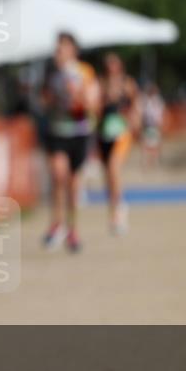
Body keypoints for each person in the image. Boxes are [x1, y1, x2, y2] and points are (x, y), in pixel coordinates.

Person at [40, 33, 98, 252]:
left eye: (62, 48)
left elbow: (93, 104)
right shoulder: (51, 73)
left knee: (73, 185)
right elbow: (44, 101)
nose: (58, 53)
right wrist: (52, 99)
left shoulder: (85, 72)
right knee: (57, 174)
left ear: (73, 50)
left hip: (79, 133)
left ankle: (73, 230)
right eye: (56, 49)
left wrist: (78, 96)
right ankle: (56, 223)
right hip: (57, 132)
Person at [95, 52, 140, 235]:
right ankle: (113, 211)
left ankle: (120, 208)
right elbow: (95, 108)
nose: (111, 68)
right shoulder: (100, 84)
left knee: (114, 168)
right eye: (108, 65)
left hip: (121, 132)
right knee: (107, 175)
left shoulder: (127, 84)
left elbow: (135, 105)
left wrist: (134, 121)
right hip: (103, 133)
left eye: (115, 64)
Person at [139, 82, 166, 168]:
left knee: (155, 144)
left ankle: (155, 161)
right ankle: (146, 161)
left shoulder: (158, 100)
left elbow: (161, 113)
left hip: (155, 125)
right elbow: (142, 112)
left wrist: (161, 123)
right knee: (145, 144)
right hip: (147, 125)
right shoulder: (145, 100)